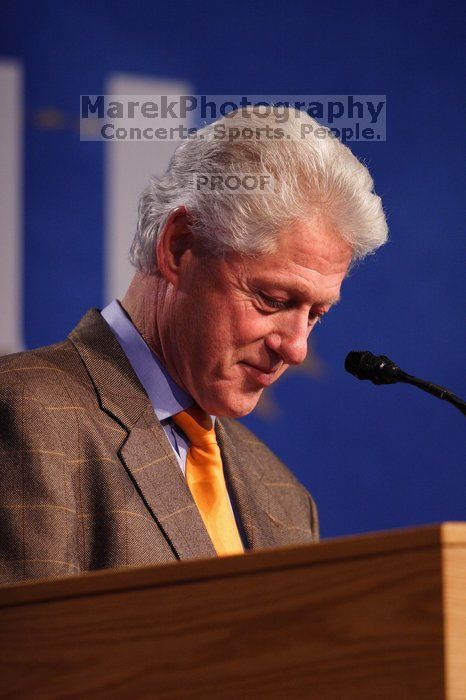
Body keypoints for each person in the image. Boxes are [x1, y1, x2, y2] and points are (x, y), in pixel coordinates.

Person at [0, 108, 388, 585]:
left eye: (316, 314)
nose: (297, 348)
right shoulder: (24, 415)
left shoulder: (285, 500)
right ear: (179, 246)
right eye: (275, 299)